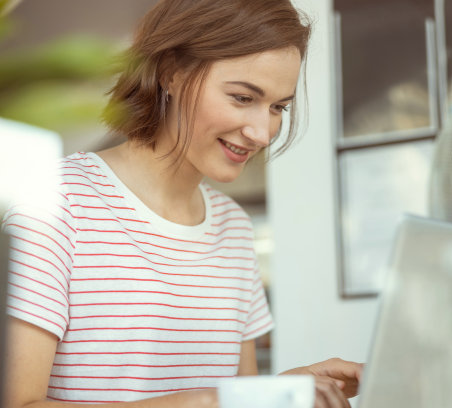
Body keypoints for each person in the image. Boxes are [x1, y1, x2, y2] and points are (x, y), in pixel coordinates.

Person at [1, 0, 362, 407]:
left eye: (278, 107)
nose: (263, 132)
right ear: (171, 72)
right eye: (243, 97)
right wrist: (204, 402)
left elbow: (232, 401)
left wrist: (282, 391)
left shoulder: (234, 228)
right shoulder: (54, 202)